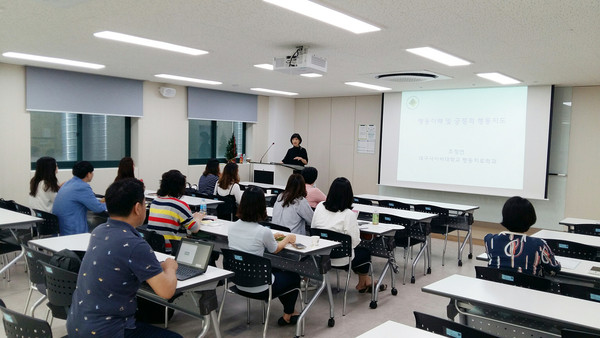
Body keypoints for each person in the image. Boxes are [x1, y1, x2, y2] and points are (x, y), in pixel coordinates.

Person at [66, 178, 181, 338]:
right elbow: (167, 291)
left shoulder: (99, 231)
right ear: (137, 208)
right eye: (144, 204)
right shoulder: (135, 244)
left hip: (77, 325)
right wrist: (170, 267)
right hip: (108, 331)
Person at [227, 186, 301, 326]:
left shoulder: (232, 227)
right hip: (260, 287)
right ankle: (288, 314)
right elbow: (275, 249)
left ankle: (290, 313)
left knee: (278, 271)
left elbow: (252, 240)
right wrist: (288, 238)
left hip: (239, 282)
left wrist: (272, 236)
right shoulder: (262, 232)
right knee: (293, 276)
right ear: (262, 206)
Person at [311, 177, 385, 293]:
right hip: (341, 259)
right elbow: (355, 242)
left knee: (356, 252)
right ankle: (364, 282)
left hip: (321, 256)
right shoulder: (348, 214)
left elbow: (313, 227)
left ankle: (366, 282)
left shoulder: (320, 206)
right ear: (349, 195)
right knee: (364, 252)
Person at [484, 196, 561, 276]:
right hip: (528, 287)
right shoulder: (539, 245)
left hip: (495, 287)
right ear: (531, 219)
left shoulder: (490, 240)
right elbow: (554, 269)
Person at [147, 170, 204, 252]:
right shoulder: (179, 205)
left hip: (156, 249)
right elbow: (194, 229)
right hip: (174, 250)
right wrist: (198, 218)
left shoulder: (155, 202)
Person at [52, 161, 106, 236]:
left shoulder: (68, 183)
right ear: (88, 174)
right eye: (92, 172)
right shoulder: (83, 187)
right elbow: (97, 208)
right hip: (73, 230)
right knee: (101, 225)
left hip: (62, 227)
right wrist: (110, 203)